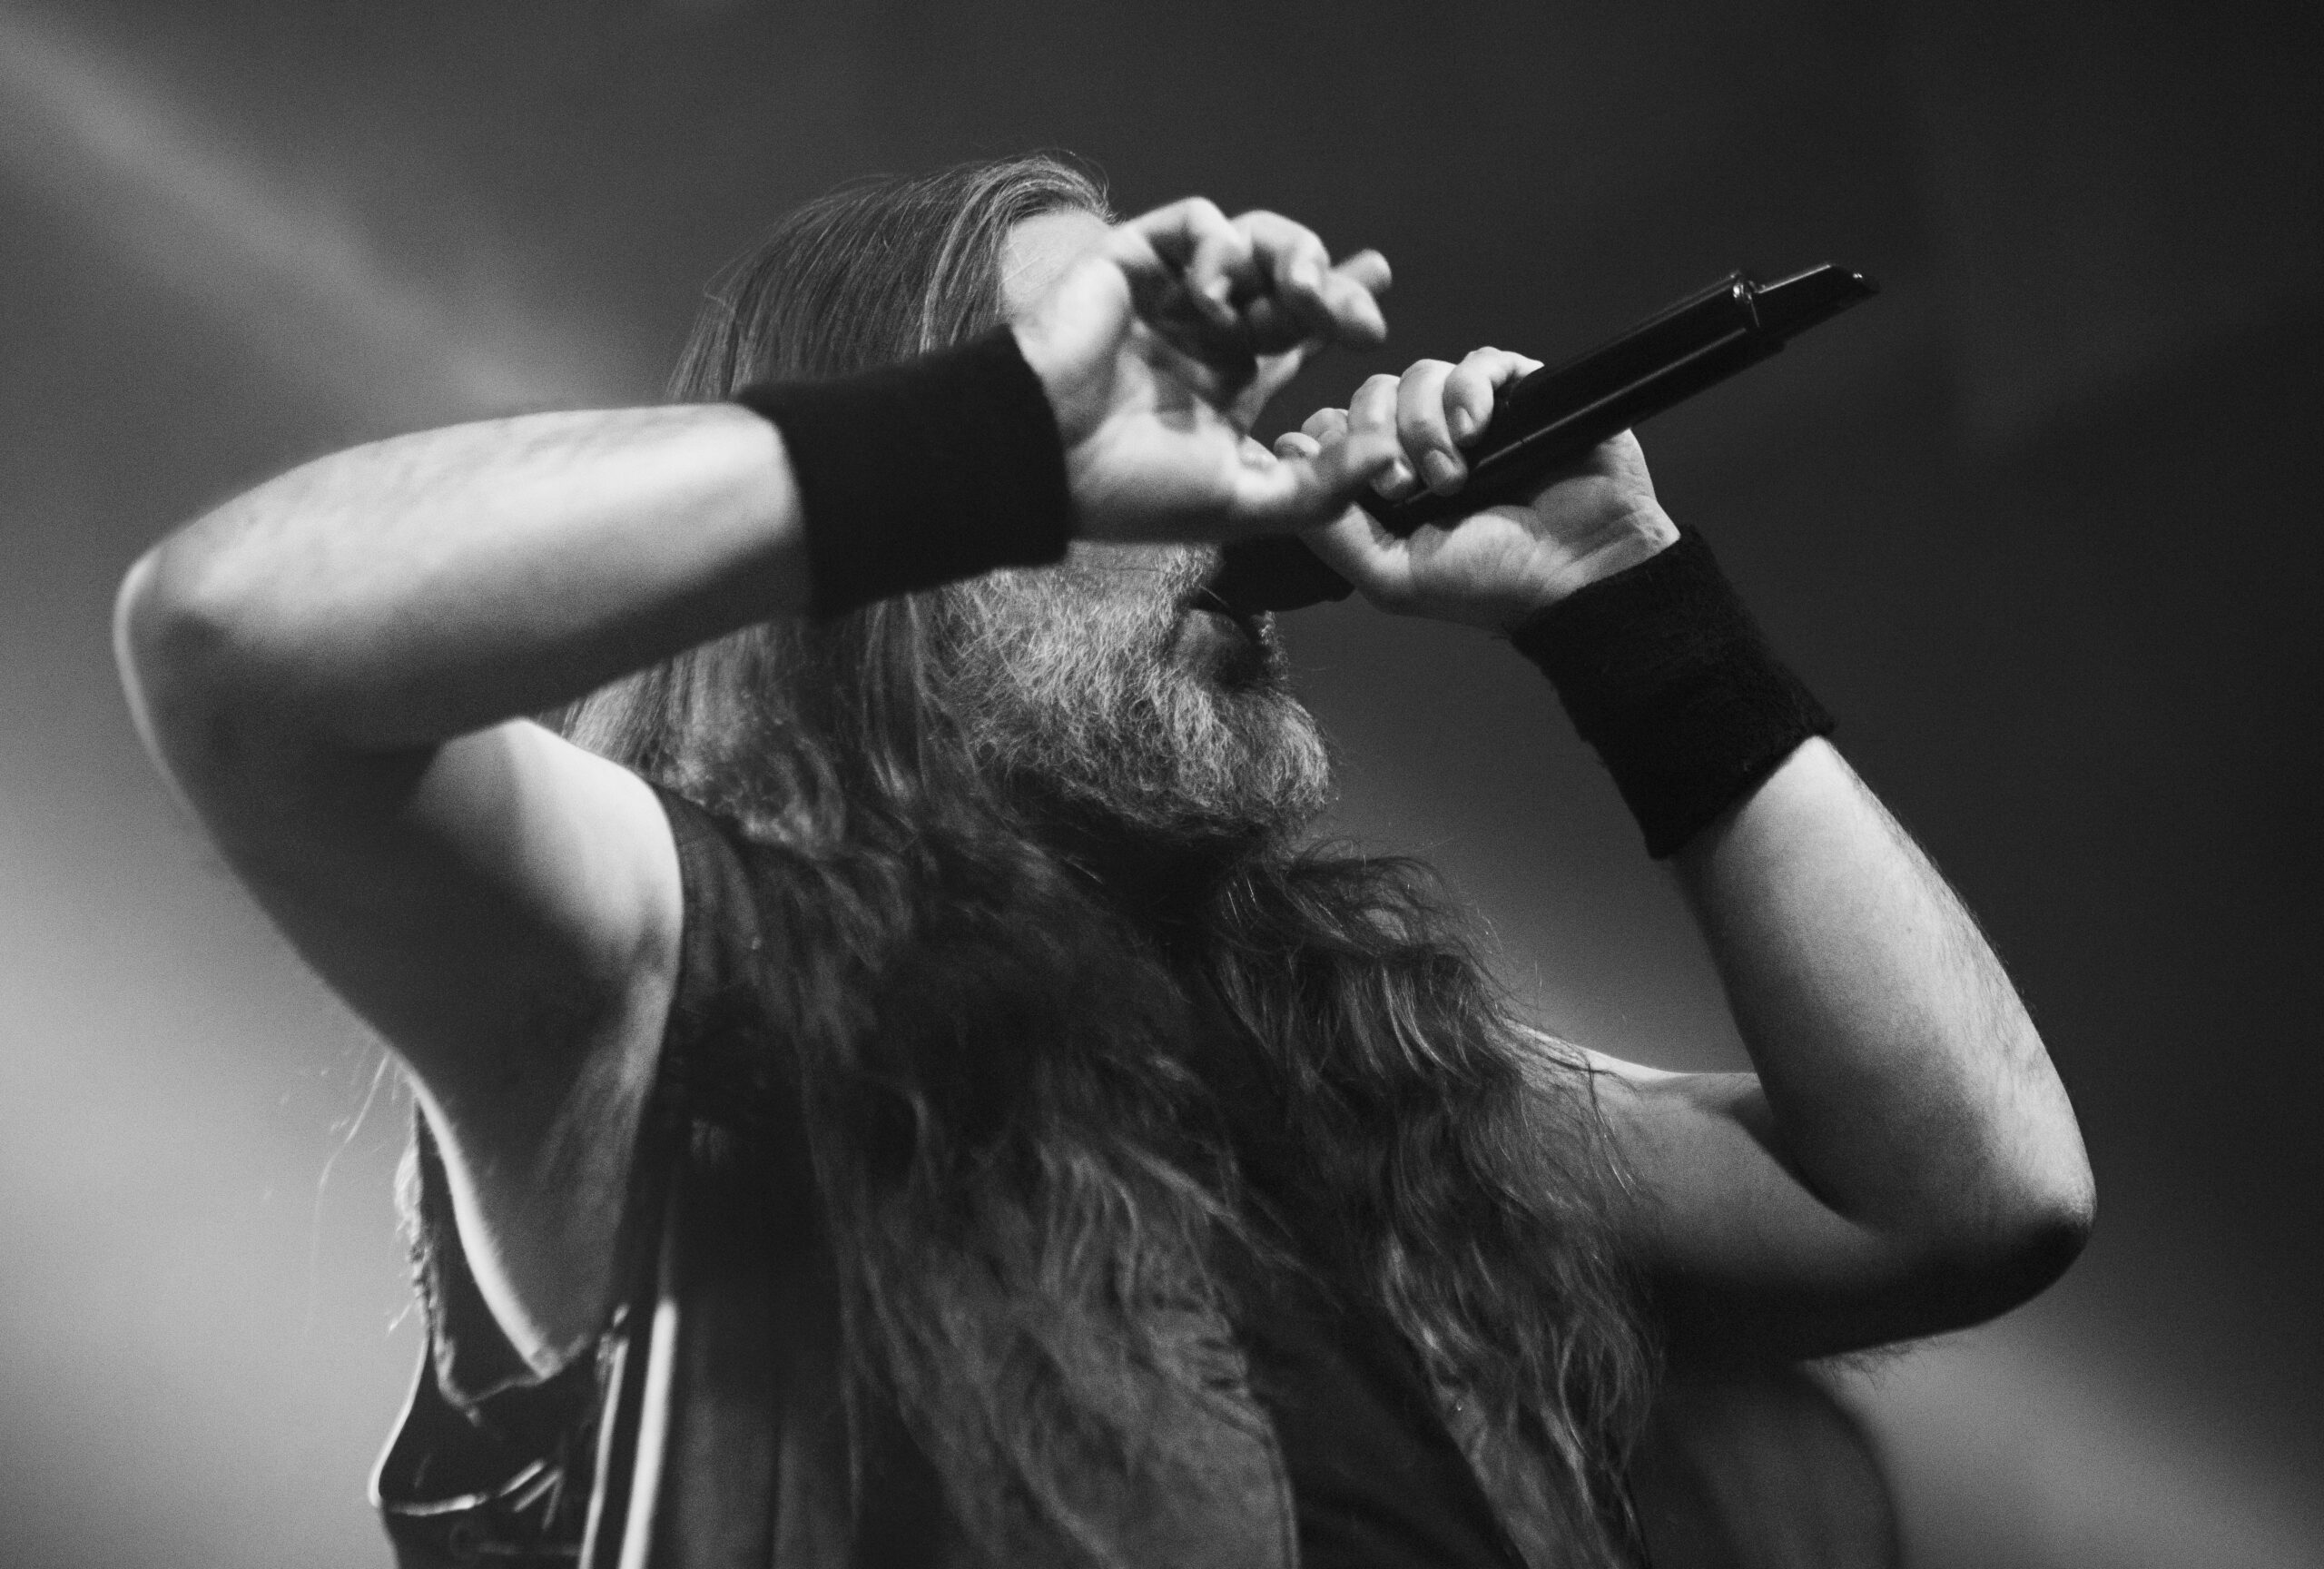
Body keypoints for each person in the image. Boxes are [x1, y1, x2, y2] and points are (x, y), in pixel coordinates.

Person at [113, 154, 2092, 1569]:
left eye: (1199, 412)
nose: (1226, 477)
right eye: (1115, 416)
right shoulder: (673, 969)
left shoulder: (1358, 1064)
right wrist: (987, 439)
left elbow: (1964, 1193)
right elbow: (236, 644)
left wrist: (1626, 604)